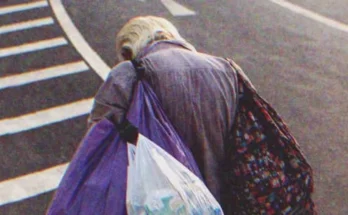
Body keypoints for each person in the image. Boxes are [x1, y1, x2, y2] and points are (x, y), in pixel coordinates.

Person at [88, 16, 315, 214]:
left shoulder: (129, 73)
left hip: (157, 204)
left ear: (128, 50)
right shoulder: (227, 70)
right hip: (218, 201)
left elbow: (96, 145)